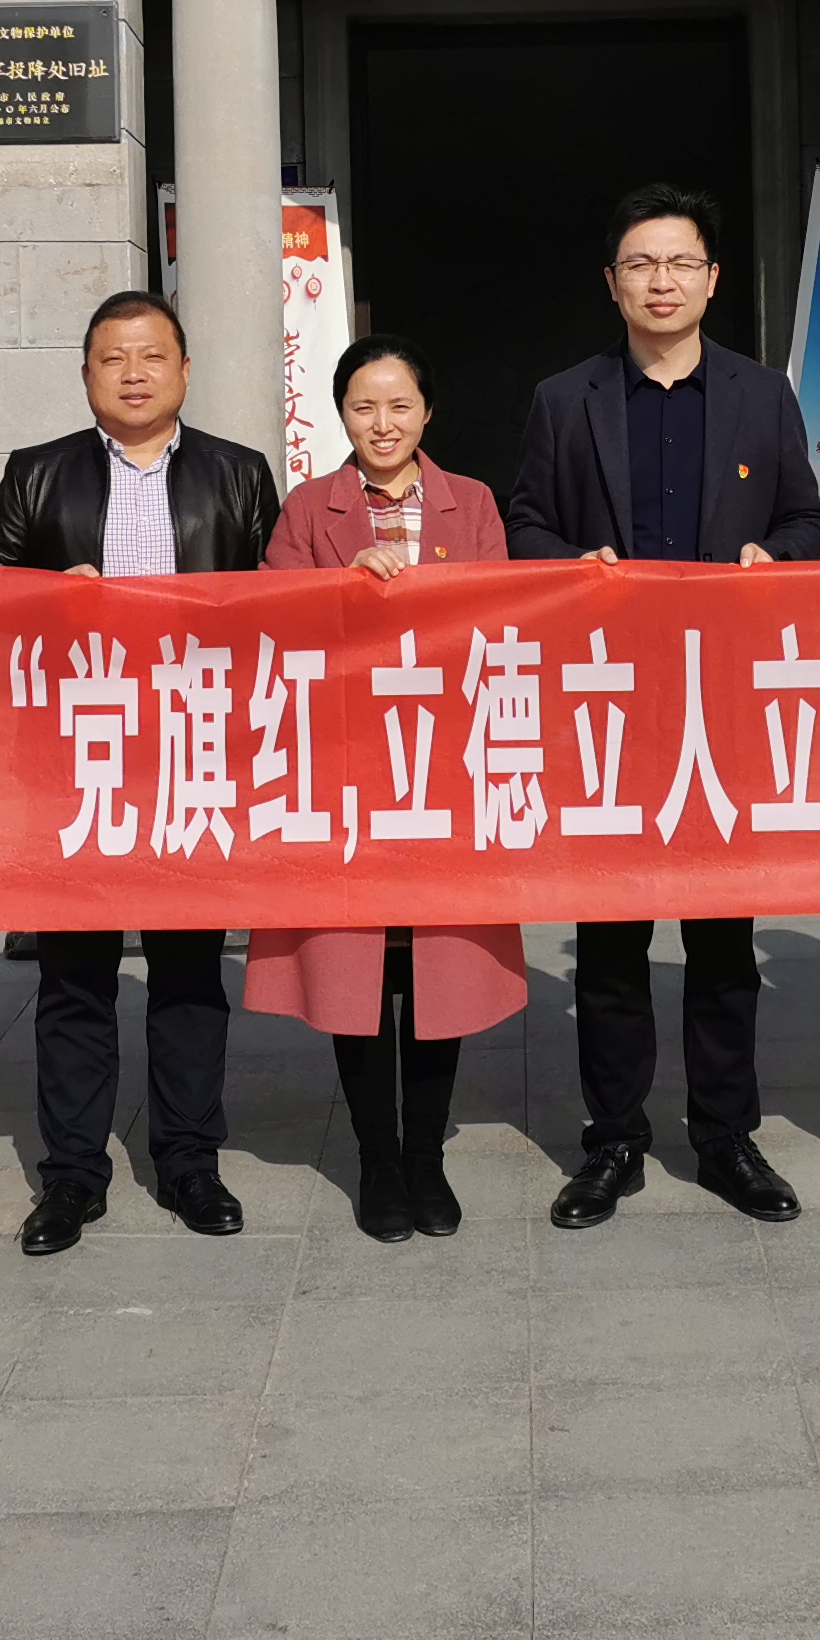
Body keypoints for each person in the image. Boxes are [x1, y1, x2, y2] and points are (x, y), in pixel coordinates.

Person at [506, 183, 820, 1229]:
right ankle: (613, 1140)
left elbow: (807, 517)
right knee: (610, 940)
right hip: (608, 707)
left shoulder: (760, 396)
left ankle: (727, 1137)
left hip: (721, 704)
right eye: (641, 264)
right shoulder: (567, 398)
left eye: (680, 263)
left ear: (712, 279)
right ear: (612, 282)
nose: (661, 281)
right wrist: (573, 566)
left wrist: (772, 557)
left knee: (724, 941)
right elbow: (524, 524)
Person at [0, 289, 280, 1257]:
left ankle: (190, 1161)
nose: (134, 373)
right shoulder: (37, 474)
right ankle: (71, 1176)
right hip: (76, 762)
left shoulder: (237, 473)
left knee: (189, 972)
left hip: (192, 753)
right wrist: (41, 600)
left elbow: (285, 607)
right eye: (113, 358)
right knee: (75, 976)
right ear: (86, 376)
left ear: (185, 370)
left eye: (152, 356)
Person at [247, 334, 524, 1243]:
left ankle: (426, 1159)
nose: (382, 423)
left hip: (444, 770)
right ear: (341, 414)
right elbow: (272, 624)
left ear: (428, 412)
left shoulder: (471, 502)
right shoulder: (309, 508)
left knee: (438, 969)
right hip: (346, 772)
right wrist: (341, 585)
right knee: (357, 970)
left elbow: (502, 619)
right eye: (363, 406)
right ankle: (376, 1158)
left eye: (400, 405)